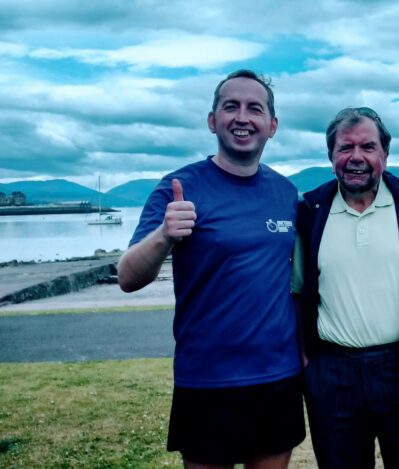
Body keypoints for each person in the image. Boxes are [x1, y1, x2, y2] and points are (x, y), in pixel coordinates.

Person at [117, 70, 304, 469]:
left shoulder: (286, 193)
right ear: (212, 120)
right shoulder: (179, 187)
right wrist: (164, 235)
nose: (242, 117)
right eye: (230, 106)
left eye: (255, 108)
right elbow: (128, 277)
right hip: (207, 379)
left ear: (272, 126)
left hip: (277, 375)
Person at [292, 107, 399, 468]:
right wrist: (306, 361)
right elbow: (297, 293)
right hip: (332, 374)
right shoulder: (311, 212)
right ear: (331, 156)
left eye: (368, 147)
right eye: (345, 148)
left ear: (384, 154)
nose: (356, 157)